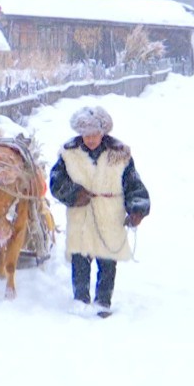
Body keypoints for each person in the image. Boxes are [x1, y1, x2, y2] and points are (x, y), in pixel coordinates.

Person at [49, 105, 150, 316]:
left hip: (109, 214)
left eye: (95, 134)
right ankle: (81, 298)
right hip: (81, 215)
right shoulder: (69, 154)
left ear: (103, 132)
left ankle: (103, 301)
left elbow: (133, 184)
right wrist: (74, 194)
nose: (91, 139)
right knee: (80, 258)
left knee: (107, 260)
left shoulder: (119, 155)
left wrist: (137, 209)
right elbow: (56, 182)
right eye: (86, 135)